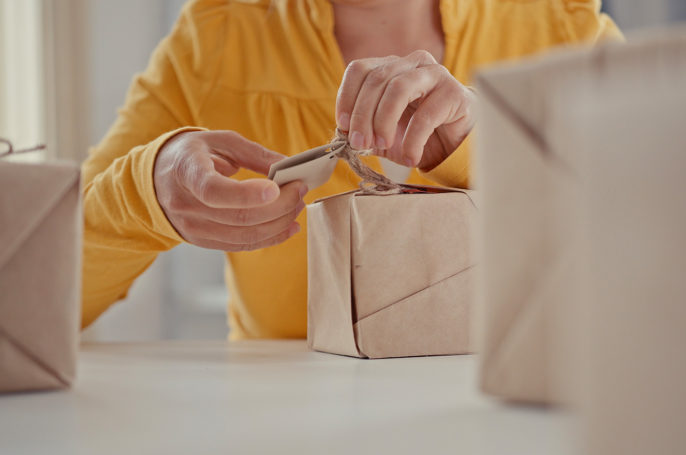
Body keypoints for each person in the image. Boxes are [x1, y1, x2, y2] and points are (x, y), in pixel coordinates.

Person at [81, 0, 621, 339]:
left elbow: (667, 259)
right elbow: (35, 291)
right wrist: (142, 191)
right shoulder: (210, 44)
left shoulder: (565, 30)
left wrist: (490, 149)